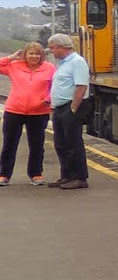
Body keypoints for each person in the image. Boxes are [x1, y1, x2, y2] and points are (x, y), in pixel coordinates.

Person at [0, 41, 55, 186]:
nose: (34, 56)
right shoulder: (14, 66)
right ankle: (4, 174)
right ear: (24, 54)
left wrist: (48, 99)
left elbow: (55, 86)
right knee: (9, 144)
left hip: (39, 112)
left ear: (42, 55)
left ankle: (36, 174)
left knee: (37, 144)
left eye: (37, 54)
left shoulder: (49, 68)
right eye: (31, 53)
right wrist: (11, 57)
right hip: (14, 111)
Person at [46, 32, 90, 190]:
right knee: (61, 143)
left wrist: (72, 109)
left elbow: (81, 86)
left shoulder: (77, 62)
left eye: (52, 48)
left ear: (61, 47)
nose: (51, 51)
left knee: (73, 143)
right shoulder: (64, 63)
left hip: (70, 107)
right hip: (60, 108)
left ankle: (79, 177)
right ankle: (66, 175)